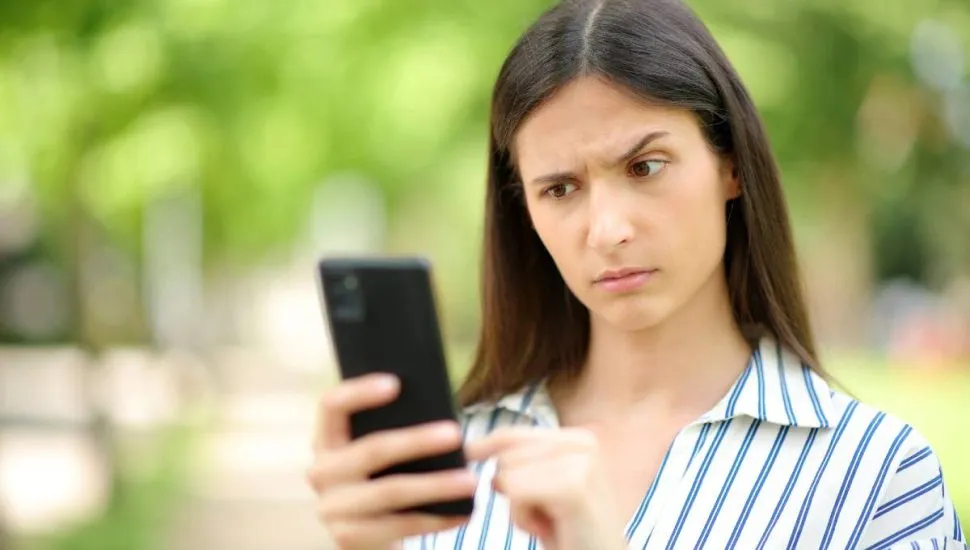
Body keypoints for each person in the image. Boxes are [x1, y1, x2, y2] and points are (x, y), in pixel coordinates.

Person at [306, 0, 968, 548]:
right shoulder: (454, 468)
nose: (607, 229)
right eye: (560, 189)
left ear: (730, 165)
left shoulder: (875, 476)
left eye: (645, 167)